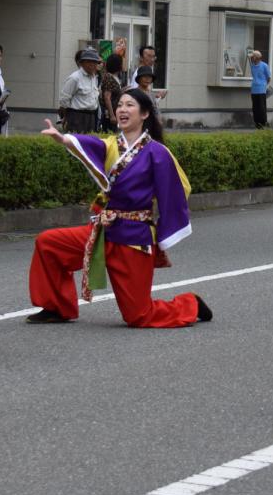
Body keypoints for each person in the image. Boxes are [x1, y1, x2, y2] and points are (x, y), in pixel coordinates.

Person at [25, 88, 212, 327]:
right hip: (104, 230)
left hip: (133, 237)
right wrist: (64, 139)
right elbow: (91, 145)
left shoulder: (157, 152)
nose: (122, 109)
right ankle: (57, 307)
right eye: (120, 105)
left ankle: (190, 303)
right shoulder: (112, 145)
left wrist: (159, 226)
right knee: (49, 243)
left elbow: (178, 188)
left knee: (139, 315)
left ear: (144, 114)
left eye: (129, 105)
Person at [59, 48, 102, 134]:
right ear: (82, 63)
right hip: (77, 116)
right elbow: (64, 99)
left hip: (91, 117)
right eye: (89, 62)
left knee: (89, 140)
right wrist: (67, 116)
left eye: (95, 62)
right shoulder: (75, 78)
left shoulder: (94, 77)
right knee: (76, 140)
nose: (93, 65)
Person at [99, 52, 124, 133]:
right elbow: (107, 97)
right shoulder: (109, 77)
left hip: (116, 111)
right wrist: (112, 115)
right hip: (109, 114)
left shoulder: (116, 77)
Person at [249, 50, 271, 129]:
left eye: (253, 56)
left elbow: (269, 77)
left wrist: (264, 84)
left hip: (261, 89)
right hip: (254, 89)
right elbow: (249, 58)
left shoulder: (264, 65)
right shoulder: (252, 65)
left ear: (257, 57)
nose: (252, 58)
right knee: (255, 107)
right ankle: (257, 122)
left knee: (262, 107)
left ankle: (263, 122)